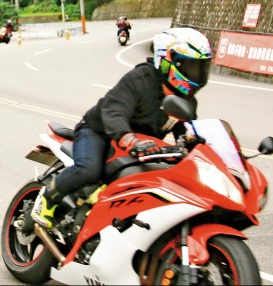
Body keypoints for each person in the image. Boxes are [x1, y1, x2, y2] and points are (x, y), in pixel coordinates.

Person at [30, 27, 213, 228]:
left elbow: (186, 133)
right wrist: (129, 139)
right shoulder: (141, 79)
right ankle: (47, 198)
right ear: (167, 61)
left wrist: (196, 145)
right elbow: (114, 111)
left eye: (201, 67)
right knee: (88, 170)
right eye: (190, 66)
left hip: (140, 146)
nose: (197, 73)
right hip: (99, 132)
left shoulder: (186, 101)